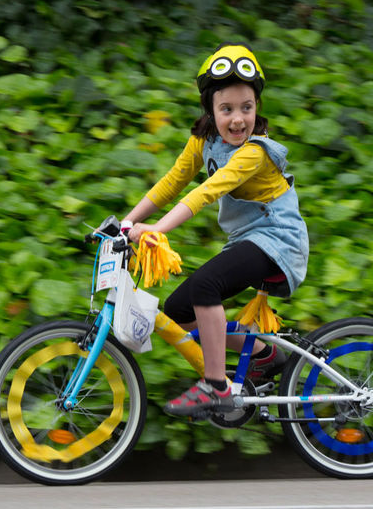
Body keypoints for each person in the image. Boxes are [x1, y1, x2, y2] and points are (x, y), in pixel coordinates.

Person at [121, 42, 309, 416]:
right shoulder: (203, 141)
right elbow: (172, 182)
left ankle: (216, 385)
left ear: (257, 108)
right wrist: (126, 222)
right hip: (247, 240)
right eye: (226, 109)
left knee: (207, 286)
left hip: (278, 240)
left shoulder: (255, 152)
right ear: (210, 109)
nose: (238, 119)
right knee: (178, 309)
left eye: (247, 108)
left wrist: (157, 228)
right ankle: (261, 352)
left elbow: (207, 192)